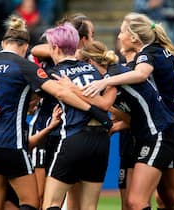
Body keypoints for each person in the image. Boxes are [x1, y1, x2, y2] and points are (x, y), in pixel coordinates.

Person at [0, 15, 111, 210]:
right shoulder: (25, 67)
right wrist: (95, 112)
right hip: (11, 142)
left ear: (3, 43)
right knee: (32, 202)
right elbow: (60, 92)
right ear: (25, 47)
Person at [81, 12, 174, 209]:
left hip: (173, 126)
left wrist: (105, 81)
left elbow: (141, 74)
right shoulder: (159, 51)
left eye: (122, 31)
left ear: (134, 37)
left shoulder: (147, 53)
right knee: (167, 199)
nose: (118, 36)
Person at [74, 39, 174, 210]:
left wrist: (70, 89)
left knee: (138, 202)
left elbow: (104, 104)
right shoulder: (109, 78)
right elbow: (133, 118)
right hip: (148, 136)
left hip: (159, 135)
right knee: (146, 202)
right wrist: (114, 127)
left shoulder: (112, 75)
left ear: (90, 62)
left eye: (80, 64)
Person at [41, 23, 115, 210]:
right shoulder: (92, 69)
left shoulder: (55, 73)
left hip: (75, 137)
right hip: (101, 141)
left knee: (51, 203)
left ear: (55, 48)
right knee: (89, 207)